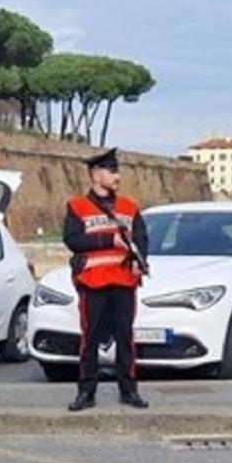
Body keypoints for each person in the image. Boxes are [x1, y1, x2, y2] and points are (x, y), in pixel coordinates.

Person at [62, 147, 150, 412]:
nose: (117, 177)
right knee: (90, 338)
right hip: (93, 282)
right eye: (112, 171)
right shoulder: (76, 206)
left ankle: (129, 390)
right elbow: (72, 239)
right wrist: (105, 240)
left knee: (126, 337)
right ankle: (86, 392)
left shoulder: (130, 206)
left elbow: (141, 238)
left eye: (117, 171)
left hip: (124, 281)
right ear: (96, 174)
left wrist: (138, 261)